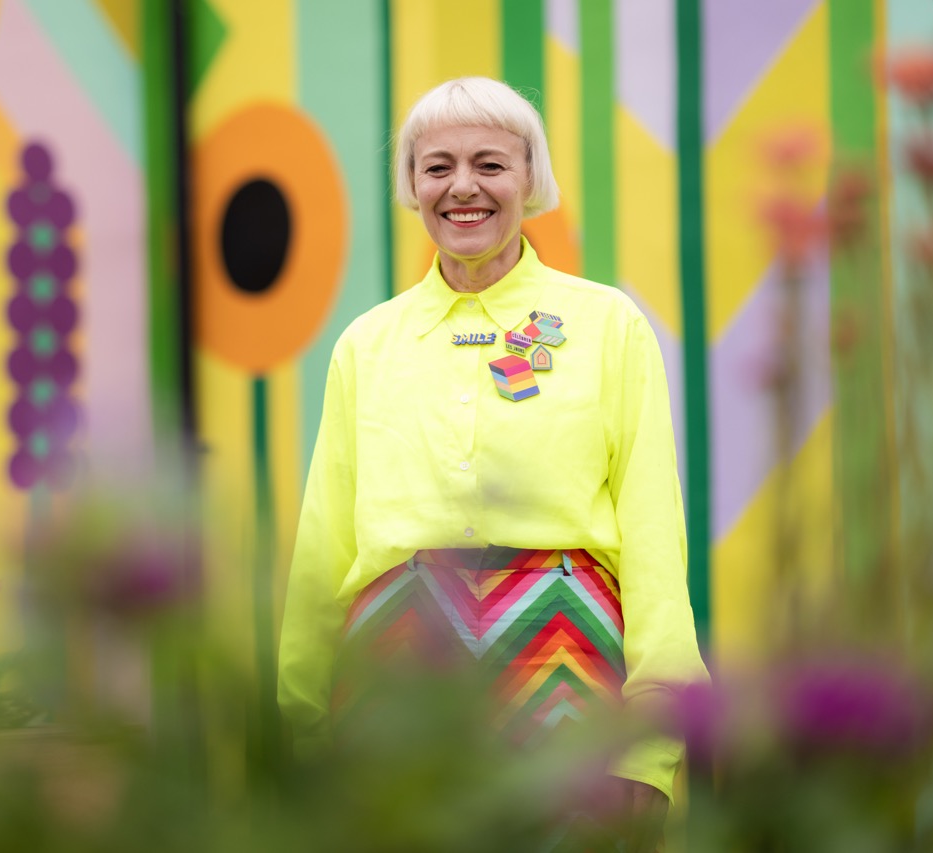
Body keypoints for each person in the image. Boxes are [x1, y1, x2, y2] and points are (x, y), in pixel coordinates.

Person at [277, 76, 709, 843]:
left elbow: (652, 540)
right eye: (437, 166)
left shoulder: (608, 326)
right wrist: (301, 733)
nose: (463, 187)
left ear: (530, 177)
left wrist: (649, 745)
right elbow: (323, 551)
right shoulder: (365, 345)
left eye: (490, 164)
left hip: (567, 658)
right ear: (412, 184)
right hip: (397, 672)